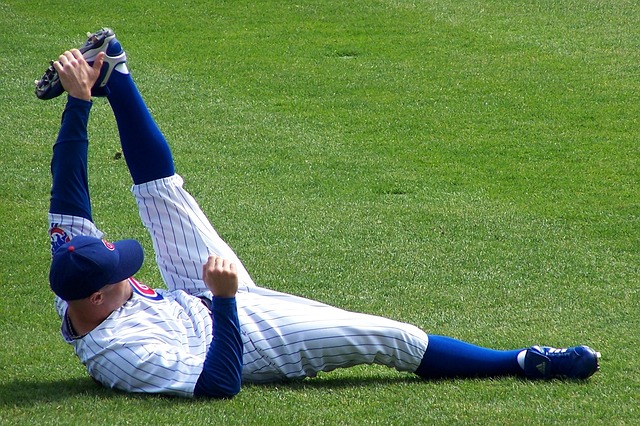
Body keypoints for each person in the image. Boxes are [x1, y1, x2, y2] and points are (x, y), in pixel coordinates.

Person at [37, 29, 600, 399]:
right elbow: (218, 385)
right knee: (394, 339)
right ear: (97, 299)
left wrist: (78, 104)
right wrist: (229, 299)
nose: (130, 271)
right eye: (121, 273)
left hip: (193, 297)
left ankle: (117, 77)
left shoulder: (76, 275)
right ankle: (522, 362)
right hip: (238, 336)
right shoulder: (124, 357)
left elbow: (69, 193)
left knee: (162, 191)